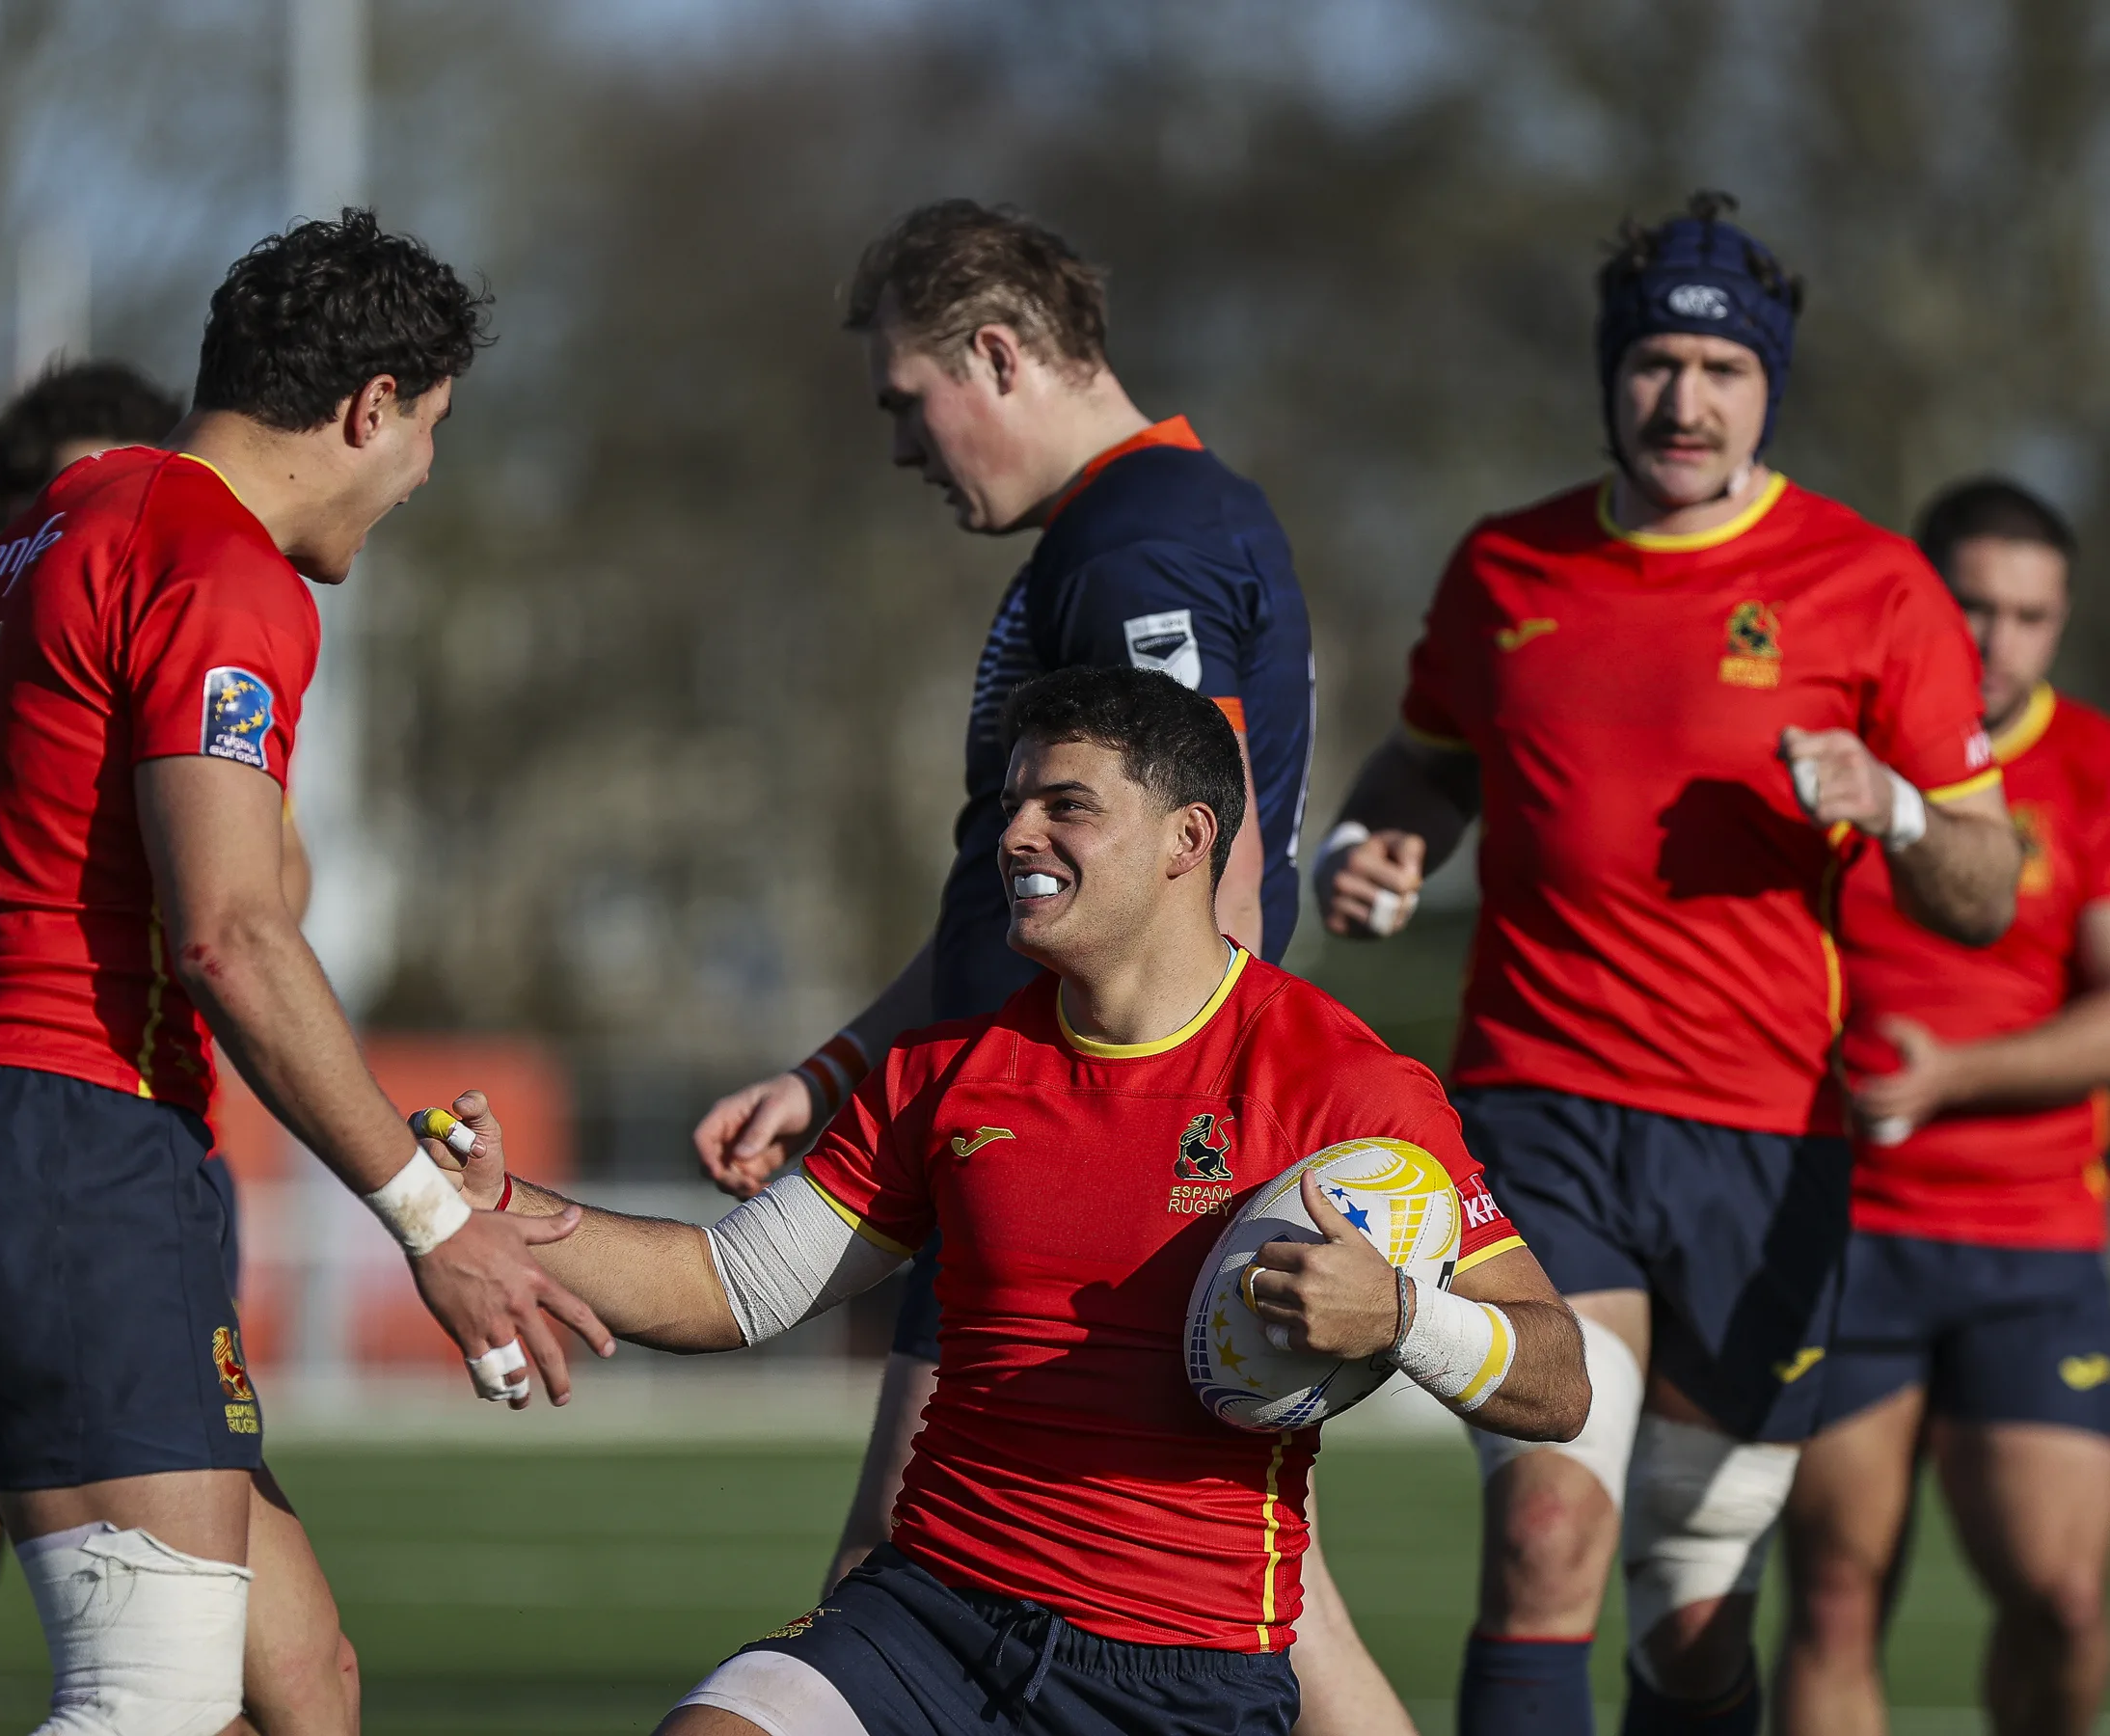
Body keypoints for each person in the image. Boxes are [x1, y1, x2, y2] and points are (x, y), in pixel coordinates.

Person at [0, 210, 609, 1736]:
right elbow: (232, 933)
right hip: (76, 1153)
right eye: (430, 432)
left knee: (296, 1683)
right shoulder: (218, 564)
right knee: (154, 1705)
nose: (425, 474)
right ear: (370, 406)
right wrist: (430, 1221)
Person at [449, 665, 1589, 1736]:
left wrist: (1402, 1319)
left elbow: (1559, 1380)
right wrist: (498, 1204)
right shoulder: (945, 1070)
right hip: (929, 1616)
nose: (1017, 836)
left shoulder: (1350, 1088)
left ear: (1188, 839)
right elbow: (727, 1288)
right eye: (1011, 804)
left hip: (1183, 1673)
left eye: (1066, 805)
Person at [687, 200, 1400, 1732]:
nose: (902, 448)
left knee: (909, 1568)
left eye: (907, 401)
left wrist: (1168, 1123)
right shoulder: (1132, 533)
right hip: (1040, 1113)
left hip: (1081, 1149)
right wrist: (836, 1074)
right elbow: (1004, 905)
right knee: (1278, 1612)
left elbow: (1205, 854)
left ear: (997, 355)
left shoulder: (1145, 544)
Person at [1313, 191, 2021, 1736]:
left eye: (1722, 371)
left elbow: (1983, 885)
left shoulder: (1873, 586)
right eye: (1653, 365)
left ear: (1768, 387)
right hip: (1540, 1116)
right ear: (1609, 375)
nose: (1684, 402)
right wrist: (1367, 848)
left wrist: (1893, 805)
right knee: (1547, 1534)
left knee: (1692, 1605)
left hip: (1762, 1144)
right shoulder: (1504, 569)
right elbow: (1422, 765)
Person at [0, 360, 311, 1736]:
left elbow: (265, 902)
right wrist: (431, 1213)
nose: (93, 520)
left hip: (120, 1152)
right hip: (40, 1140)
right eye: (61, 497)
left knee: (300, 1673)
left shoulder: (172, 607)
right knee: (28, 1616)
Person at [1774, 479, 2110, 1736]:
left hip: (2037, 1242)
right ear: (1918, 598)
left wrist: (1952, 1076)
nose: (1995, 638)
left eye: (2028, 614)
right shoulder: (1830, 756)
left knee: (2068, 1599)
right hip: (1841, 1234)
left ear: (2060, 619)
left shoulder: (2093, 763)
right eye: (1969, 604)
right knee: (1837, 1595)